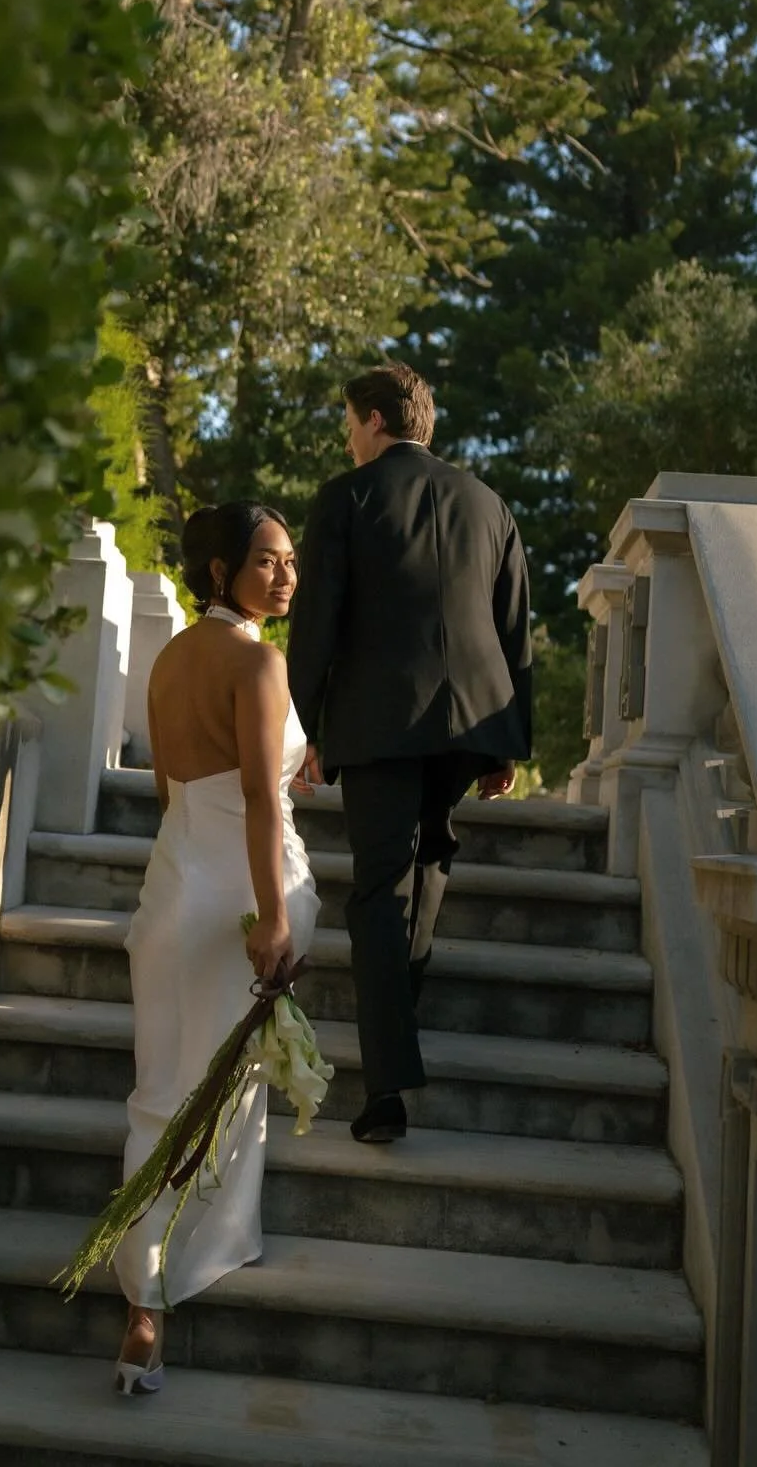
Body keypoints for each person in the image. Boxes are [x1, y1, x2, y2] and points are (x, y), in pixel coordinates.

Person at [287, 362, 531, 1145]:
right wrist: (512, 738)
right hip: (474, 718)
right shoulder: (489, 503)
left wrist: (307, 725)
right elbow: (515, 625)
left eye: (350, 424)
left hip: (380, 719)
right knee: (427, 869)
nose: (348, 440)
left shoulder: (345, 497)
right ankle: (398, 1024)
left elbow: (315, 622)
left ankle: (386, 1087)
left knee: (377, 892)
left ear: (375, 421)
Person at [112, 502, 321, 1394]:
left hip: (173, 882)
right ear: (218, 571)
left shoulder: (169, 660)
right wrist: (272, 914)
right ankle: (186, 1262)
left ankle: (141, 1300)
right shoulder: (261, 662)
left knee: (161, 1086)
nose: (286, 575)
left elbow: (172, 790)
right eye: (266, 560)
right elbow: (263, 801)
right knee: (217, 1088)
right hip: (241, 887)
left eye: (290, 560)